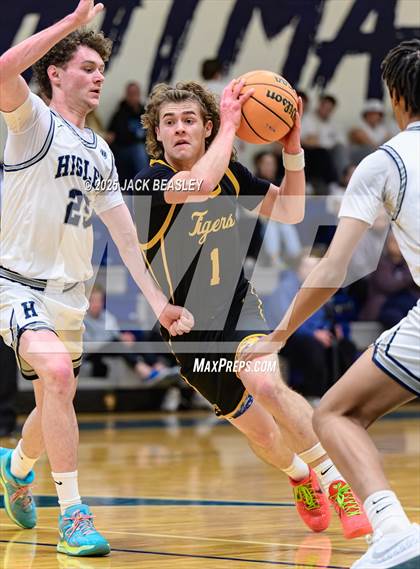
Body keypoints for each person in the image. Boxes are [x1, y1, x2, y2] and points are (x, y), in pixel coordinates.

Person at [133, 79, 371, 538]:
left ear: (205, 128)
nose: (179, 128)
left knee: (265, 383)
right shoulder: (150, 182)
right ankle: (300, 475)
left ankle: (338, 484)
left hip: (238, 308)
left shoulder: (231, 175)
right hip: (189, 332)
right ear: (157, 133)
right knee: (262, 434)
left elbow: (292, 211)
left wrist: (292, 148)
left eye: (189, 120)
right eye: (169, 122)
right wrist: (229, 123)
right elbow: (199, 184)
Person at [0, 0, 193, 558]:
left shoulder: (102, 151)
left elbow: (126, 238)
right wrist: (70, 24)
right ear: (56, 74)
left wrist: (158, 303)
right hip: (17, 284)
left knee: (52, 402)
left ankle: (16, 469)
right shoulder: (33, 121)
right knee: (58, 375)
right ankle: (73, 515)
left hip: (70, 297)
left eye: (101, 69)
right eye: (87, 67)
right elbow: (4, 70)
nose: (98, 77)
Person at [241, 39, 420, 569]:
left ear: (395, 97)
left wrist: (278, 336)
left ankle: (391, 530)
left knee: (336, 413)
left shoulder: (385, 162)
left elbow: (333, 269)